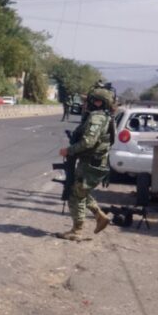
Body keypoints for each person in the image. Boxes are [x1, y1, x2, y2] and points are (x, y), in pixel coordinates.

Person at [56, 83, 116, 240]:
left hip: (91, 164)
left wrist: (69, 150)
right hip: (94, 162)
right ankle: (100, 216)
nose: (84, 104)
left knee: (75, 195)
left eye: (88, 101)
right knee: (80, 191)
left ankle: (77, 231)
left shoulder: (97, 117)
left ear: (98, 102)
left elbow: (88, 142)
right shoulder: (105, 116)